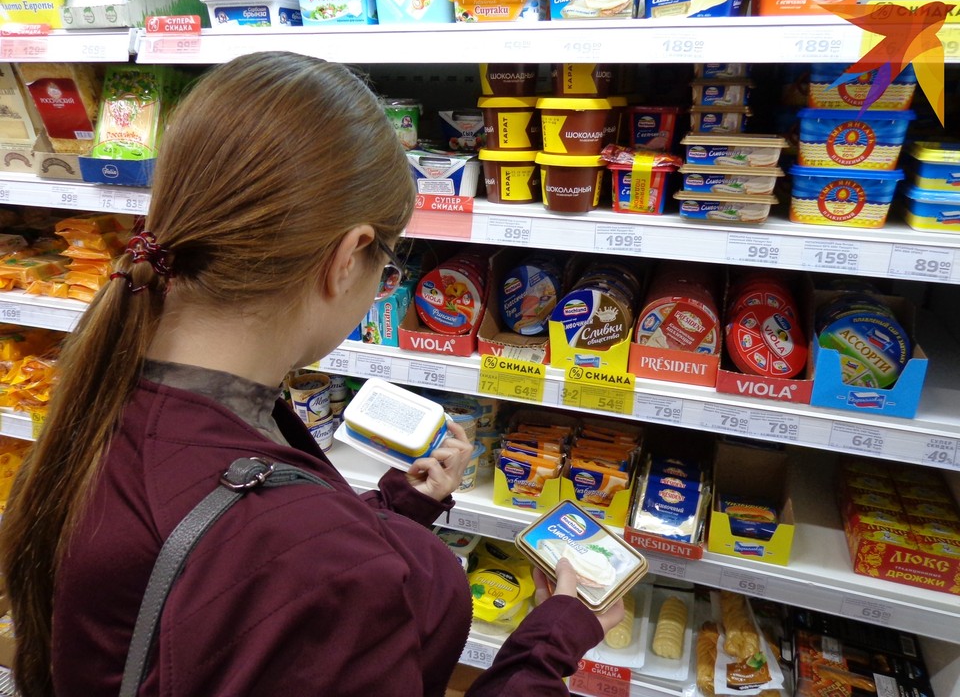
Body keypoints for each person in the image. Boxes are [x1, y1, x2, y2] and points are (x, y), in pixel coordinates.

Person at [0, 51, 623, 697]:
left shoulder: (103, 401)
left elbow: (235, 561)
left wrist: (393, 511)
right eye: (388, 267)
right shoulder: (314, 562)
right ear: (349, 256)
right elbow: (279, 569)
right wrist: (547, 645)